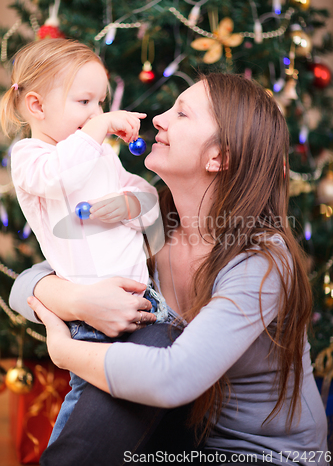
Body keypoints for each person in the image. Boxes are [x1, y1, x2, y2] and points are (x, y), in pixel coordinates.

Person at [10, 73, 329, 466]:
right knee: (141, 344)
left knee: (148, 344)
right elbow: (23, 287)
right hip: (181, 439)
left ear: (219, 157)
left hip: (259, 455)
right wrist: (80, 300)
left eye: (182, 113)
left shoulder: (261, 260)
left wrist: (64, 351)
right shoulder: (152, 221)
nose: (158, 118)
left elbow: (171, 379)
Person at [0, 38, 164, 444]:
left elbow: (144, 197)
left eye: (100, 102)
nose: (98, 112)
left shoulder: (100, 155)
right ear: (37, 107)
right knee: (88, 412)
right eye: (85, 101)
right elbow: (60, 175)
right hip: (91, 319)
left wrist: (133, 201)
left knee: (144, 412)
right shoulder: (30, 157)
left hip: (143, 300)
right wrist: (99, 128)